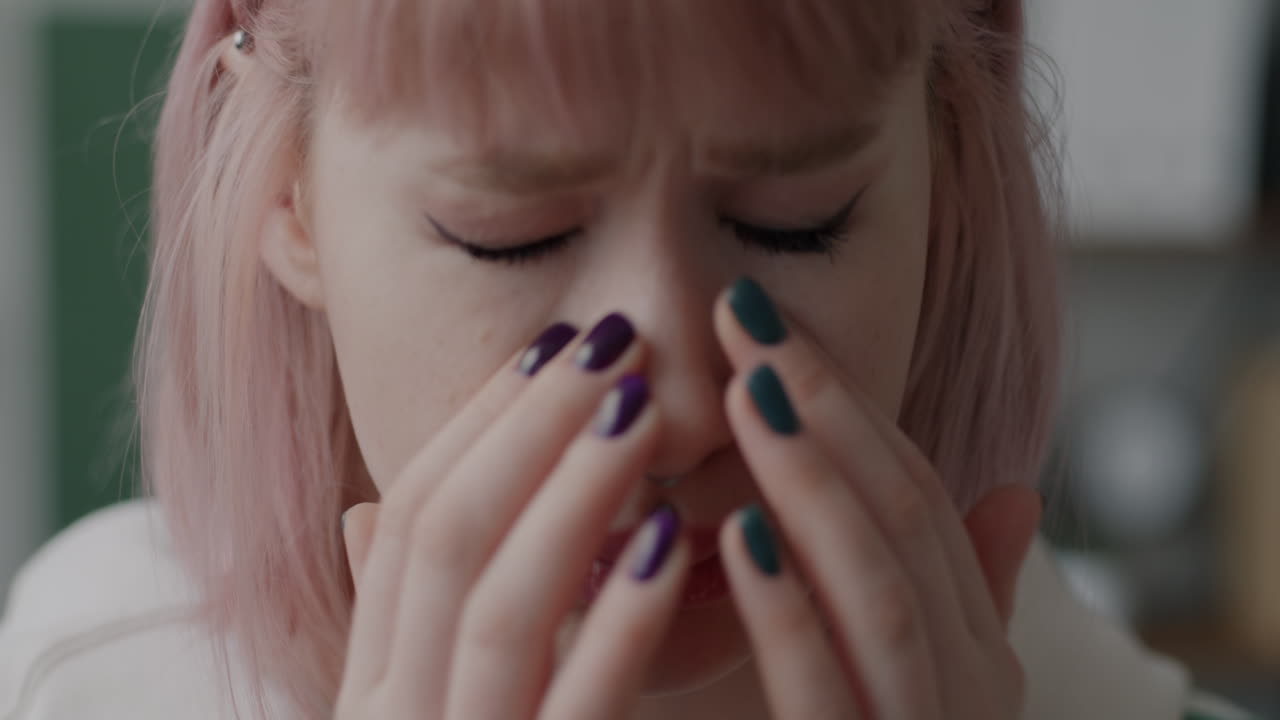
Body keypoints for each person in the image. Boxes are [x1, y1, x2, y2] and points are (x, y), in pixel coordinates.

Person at [0, 0, 1258, 718]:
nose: (669, 407)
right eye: (511, 234)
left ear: (950, 176)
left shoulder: (1087, 696)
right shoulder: (98, 682)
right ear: (287, 191)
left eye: (792, 220)